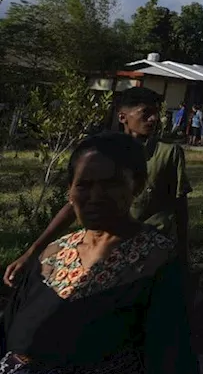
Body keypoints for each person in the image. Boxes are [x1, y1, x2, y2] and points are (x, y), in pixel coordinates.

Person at [0, 132, 199, 374]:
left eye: (110, 184)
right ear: (70, 191)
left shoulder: (156, 261)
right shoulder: (53, 253)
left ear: (136, 185)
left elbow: (171, 359)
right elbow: (9, 329)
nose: (95, 196)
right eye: (83, 185)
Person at [6, 87, 191, 286]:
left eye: (156, 113)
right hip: (104, 248)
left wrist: (183, 252)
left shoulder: (167, 154)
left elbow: (179, 204)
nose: (154, 119)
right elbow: (74, 204)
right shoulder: (102, 154)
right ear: (122, 117)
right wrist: (32, 252)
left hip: (148, 252)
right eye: (145, 113)